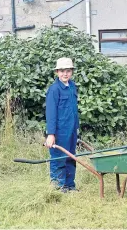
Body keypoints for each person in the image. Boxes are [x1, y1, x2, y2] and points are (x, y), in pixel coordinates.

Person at [45, 57, 79, 192]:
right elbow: (51, 113)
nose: (65, 74)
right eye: (62, 71)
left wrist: (76, 129)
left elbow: (74, 110)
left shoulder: (72, 87)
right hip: (59, 132)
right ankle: (58, 187)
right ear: (57, 72)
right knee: (59, 158)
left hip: (71, 130)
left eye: (68, 71)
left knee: (71, 157)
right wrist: (51, 134)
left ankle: (70, 185)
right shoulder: (54, 90)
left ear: (71, 72)